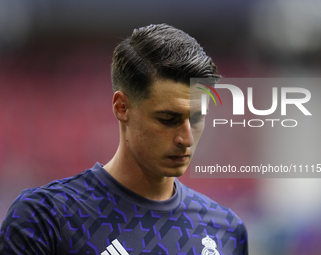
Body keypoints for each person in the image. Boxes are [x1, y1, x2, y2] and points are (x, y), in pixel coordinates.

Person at [0, 24, 248, 255]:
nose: (186, 138)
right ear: (122, 108)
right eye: (168, 119)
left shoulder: (226, 230)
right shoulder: (45, 218)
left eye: (196, 119)